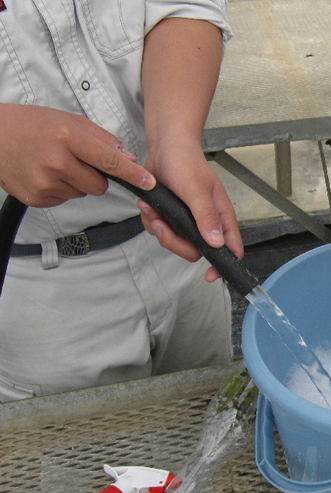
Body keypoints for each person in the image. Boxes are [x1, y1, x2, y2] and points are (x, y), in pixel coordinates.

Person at [0, 1, 243, 401]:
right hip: (39, 289)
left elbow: (182, 6)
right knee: (80, 441)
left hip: (176, 237)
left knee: (210, 420)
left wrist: (175, 138)